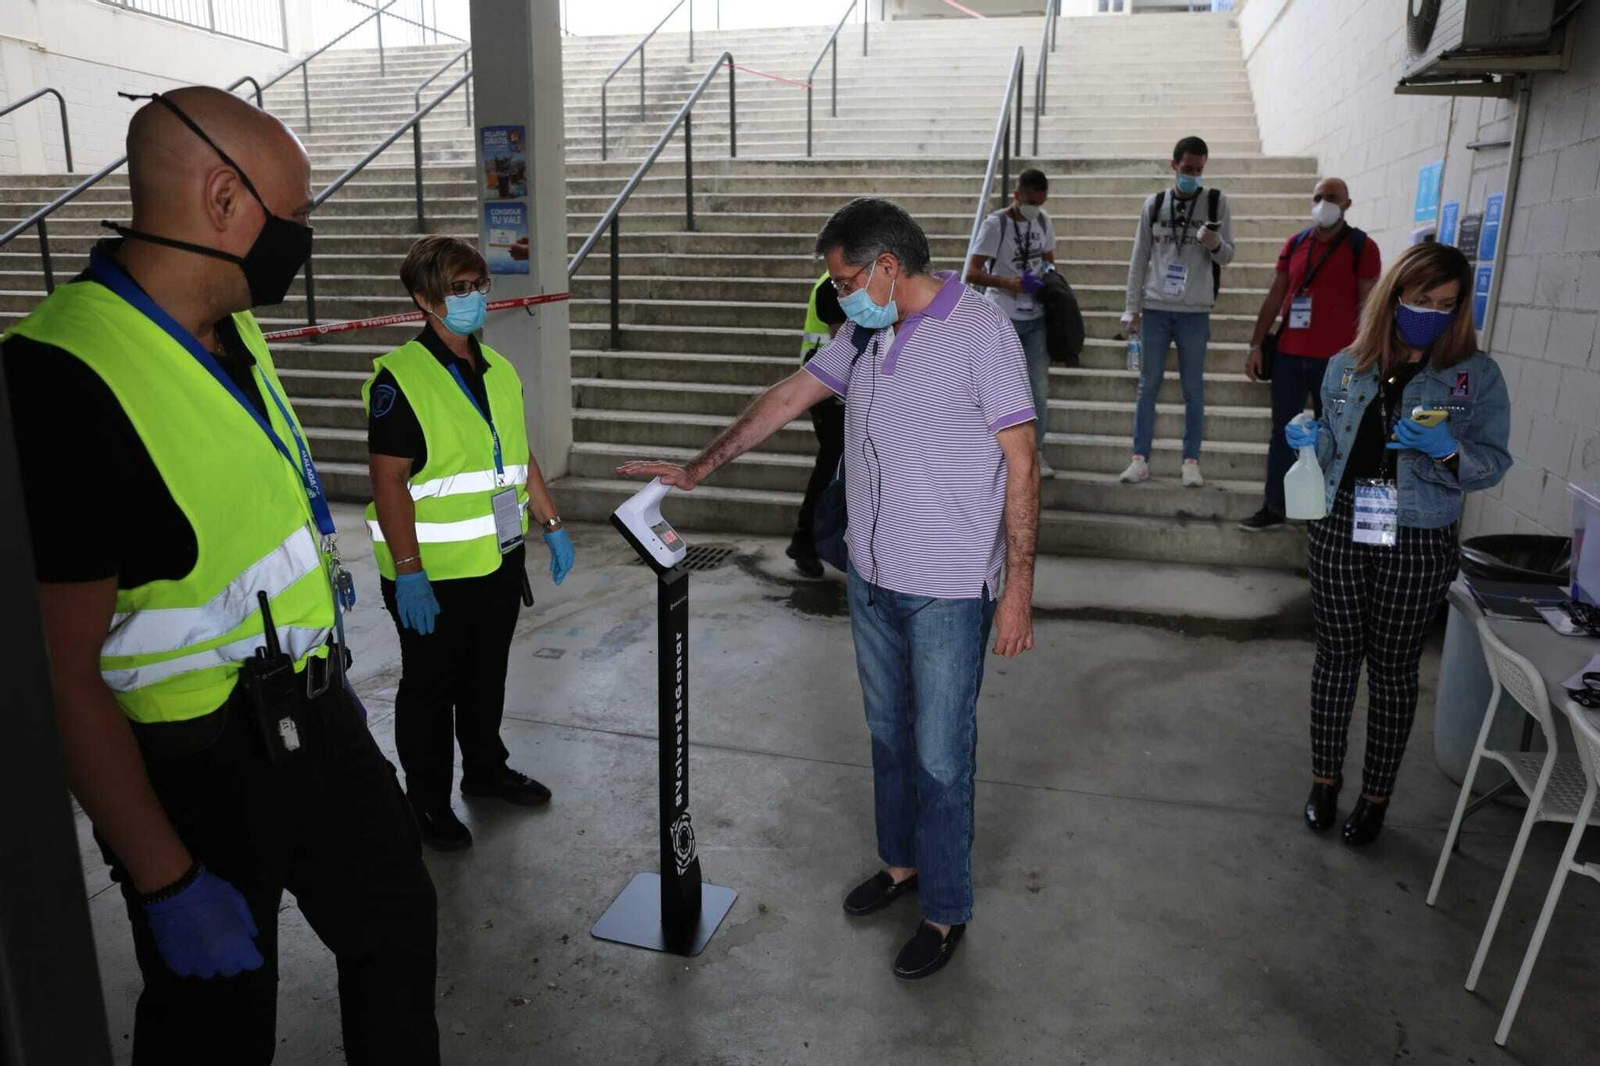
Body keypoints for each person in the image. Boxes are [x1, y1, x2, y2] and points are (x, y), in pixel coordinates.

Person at [0, 87, 439, 1063]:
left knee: (397, 932)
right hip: (197, 769)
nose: (304, 238)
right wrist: (164, 878)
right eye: (296, 217)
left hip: (317, 719)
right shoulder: (58, 381)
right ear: (225, 200)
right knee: (218, 1023)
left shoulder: (229, 331)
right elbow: (56, 673)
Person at [617, 197, 1039, 981]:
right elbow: (790, 396)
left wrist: (1017, 591)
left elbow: (1022, 460)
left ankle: (945, 909)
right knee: (887, 734)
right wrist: (699, 467)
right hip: (872, 580)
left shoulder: (980, 332)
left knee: (942, 756)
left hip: (947, 588)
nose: (837, 293)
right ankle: (901, 866)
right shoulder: (866, 331)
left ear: (887, 267)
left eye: (845, 278)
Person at [1287, 242, 1510, 846]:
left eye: (1447, 304)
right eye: (1420, 300)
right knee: (1334, 662)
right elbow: (1332, 448)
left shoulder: (1474, 376)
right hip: (1340, 527)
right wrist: (1307, 438)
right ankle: (1324, 782)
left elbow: (1492, 464)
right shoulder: (1346, 366)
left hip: (1416, 537)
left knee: (1392, 671)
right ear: (1395, 296)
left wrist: (1448, 451)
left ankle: (1377, 797)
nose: (1432, 313)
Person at [365, 235, 574, 851]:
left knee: (486, 678)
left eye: (480, 284)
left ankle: (485, 771)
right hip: (432, 572)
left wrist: (552, 524)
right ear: (423, 298)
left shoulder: (498, 369)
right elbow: (388, 481)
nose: (475, 297)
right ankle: (426, 800)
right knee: (429, 689)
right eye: (460, 288)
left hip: (498, 560)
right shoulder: (399, 379)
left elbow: (516, 455)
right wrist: (408, 571)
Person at [1239, 177, 1381, 531]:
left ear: (1347, 204)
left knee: (1334, 434)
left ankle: (1324, 511)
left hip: (1338, 364)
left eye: (1331, 197)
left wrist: (1366, 356)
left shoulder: (1362, 247)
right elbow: (1275, 296)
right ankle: (1275, 505)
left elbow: (1369, 305)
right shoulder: (1296, 243)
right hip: (1288, 356)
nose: (1323, 203)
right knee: (1282, 432)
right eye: (1318, 197)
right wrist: (1256, 344)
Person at [1119, 135, 1234, 488]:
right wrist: (1130, 307)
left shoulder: (1216, 202)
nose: (1193, 175)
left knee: (1193, 389)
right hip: (1155, 307)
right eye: (1187, 169)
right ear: (1174, 165)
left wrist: (1214, 243)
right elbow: (1140, 257)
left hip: (1195, 309)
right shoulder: (1154, 204)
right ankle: (1139, 459)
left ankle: (1190, 461)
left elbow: (1227, 255)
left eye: (1198, 170)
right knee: (1147, 386)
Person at [967, 168, 1058, 477]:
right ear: (1016, 195)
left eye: (1041, 202)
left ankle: (1036, 454)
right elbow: (972, 271)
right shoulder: (996, 224)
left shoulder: (1043, 221)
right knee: (998, 387)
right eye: (1030, 201)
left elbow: (1049, 260)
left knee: (1038, 388)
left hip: (1035, 315)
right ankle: (994, 453)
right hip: (1003, 314)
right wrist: (1007, 281)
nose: (1035, 207)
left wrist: (1043, 275)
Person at [786, 270, 848, 578]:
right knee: (831, 468)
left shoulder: (840, 278)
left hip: (831, 387)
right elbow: (843, 342)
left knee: (835, 467)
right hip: (828, 390)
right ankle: (806, 540)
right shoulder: (836, 283)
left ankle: (811, 540)